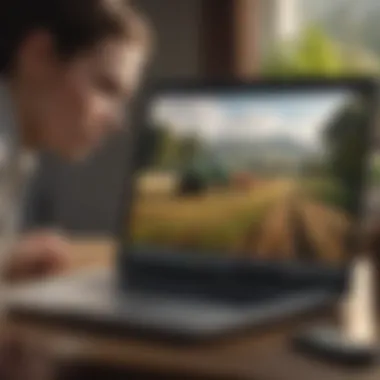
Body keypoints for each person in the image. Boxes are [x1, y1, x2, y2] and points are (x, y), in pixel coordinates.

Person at [0, 0, 151, 378]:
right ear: (39, 56)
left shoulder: (19, 151)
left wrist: (6, 259)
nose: (117, 122)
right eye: (105, 87)